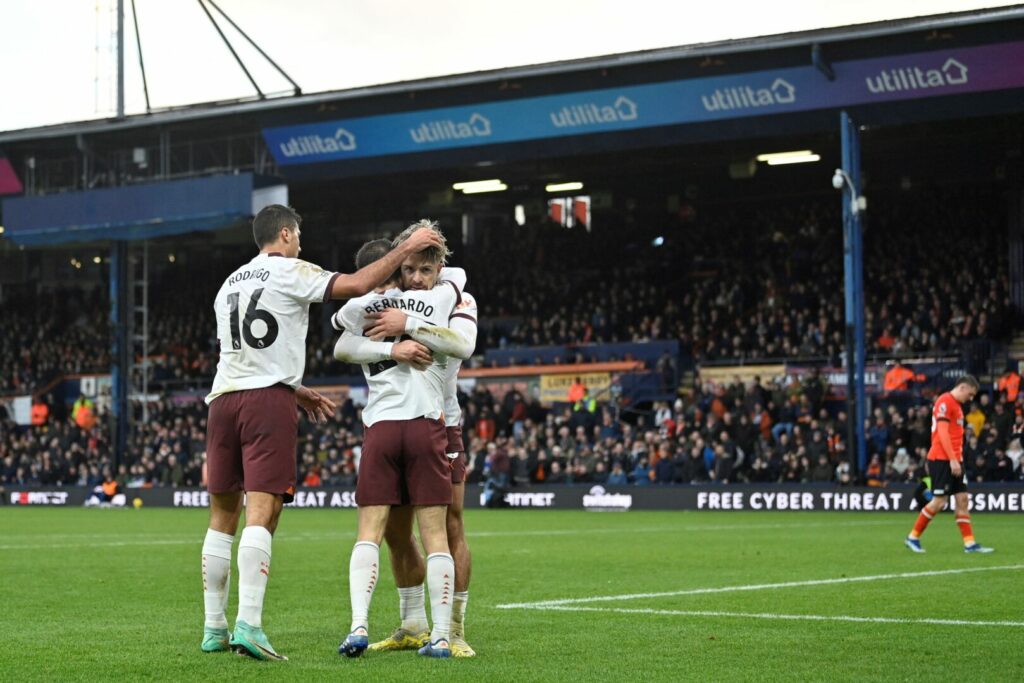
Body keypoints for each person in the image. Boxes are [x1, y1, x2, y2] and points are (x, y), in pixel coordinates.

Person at [199, 205, 442, 661]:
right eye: (299, 236)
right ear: (286, 234)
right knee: (262, 513)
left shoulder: (229, 282)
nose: (301, 244)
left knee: (221, 519)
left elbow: (247, 355)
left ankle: (214, 626)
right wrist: (405, 249)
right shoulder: (290, 269)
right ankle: (249, 624)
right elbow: (355, 285)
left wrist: (296, 388)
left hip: (222, 399)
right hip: (263, 404)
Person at [332, 221, 474, 659]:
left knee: (449, 526)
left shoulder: (456, 295)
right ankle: (414, 623)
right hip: (410, 421)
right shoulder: (384, 302)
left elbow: (463, 343)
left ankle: (452, 627)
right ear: (395, 268)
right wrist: (395, 342)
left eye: (423, 269)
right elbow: (343, 336)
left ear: (438, 267)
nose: (415, 277)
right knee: (397, 531)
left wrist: (407, 321)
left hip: (441, 420)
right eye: (407, 268)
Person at [905, 375, 994, 554]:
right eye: (970, 394)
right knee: (939, 501)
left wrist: (957, 459)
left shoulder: (957, 406)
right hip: (942, 459)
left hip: (954, 459)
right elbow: (943, 433)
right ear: (962, 387)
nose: (970, 399)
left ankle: (969, 544)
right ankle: (913, 537)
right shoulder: (944, 402)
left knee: (962, 499)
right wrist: (953, 459)